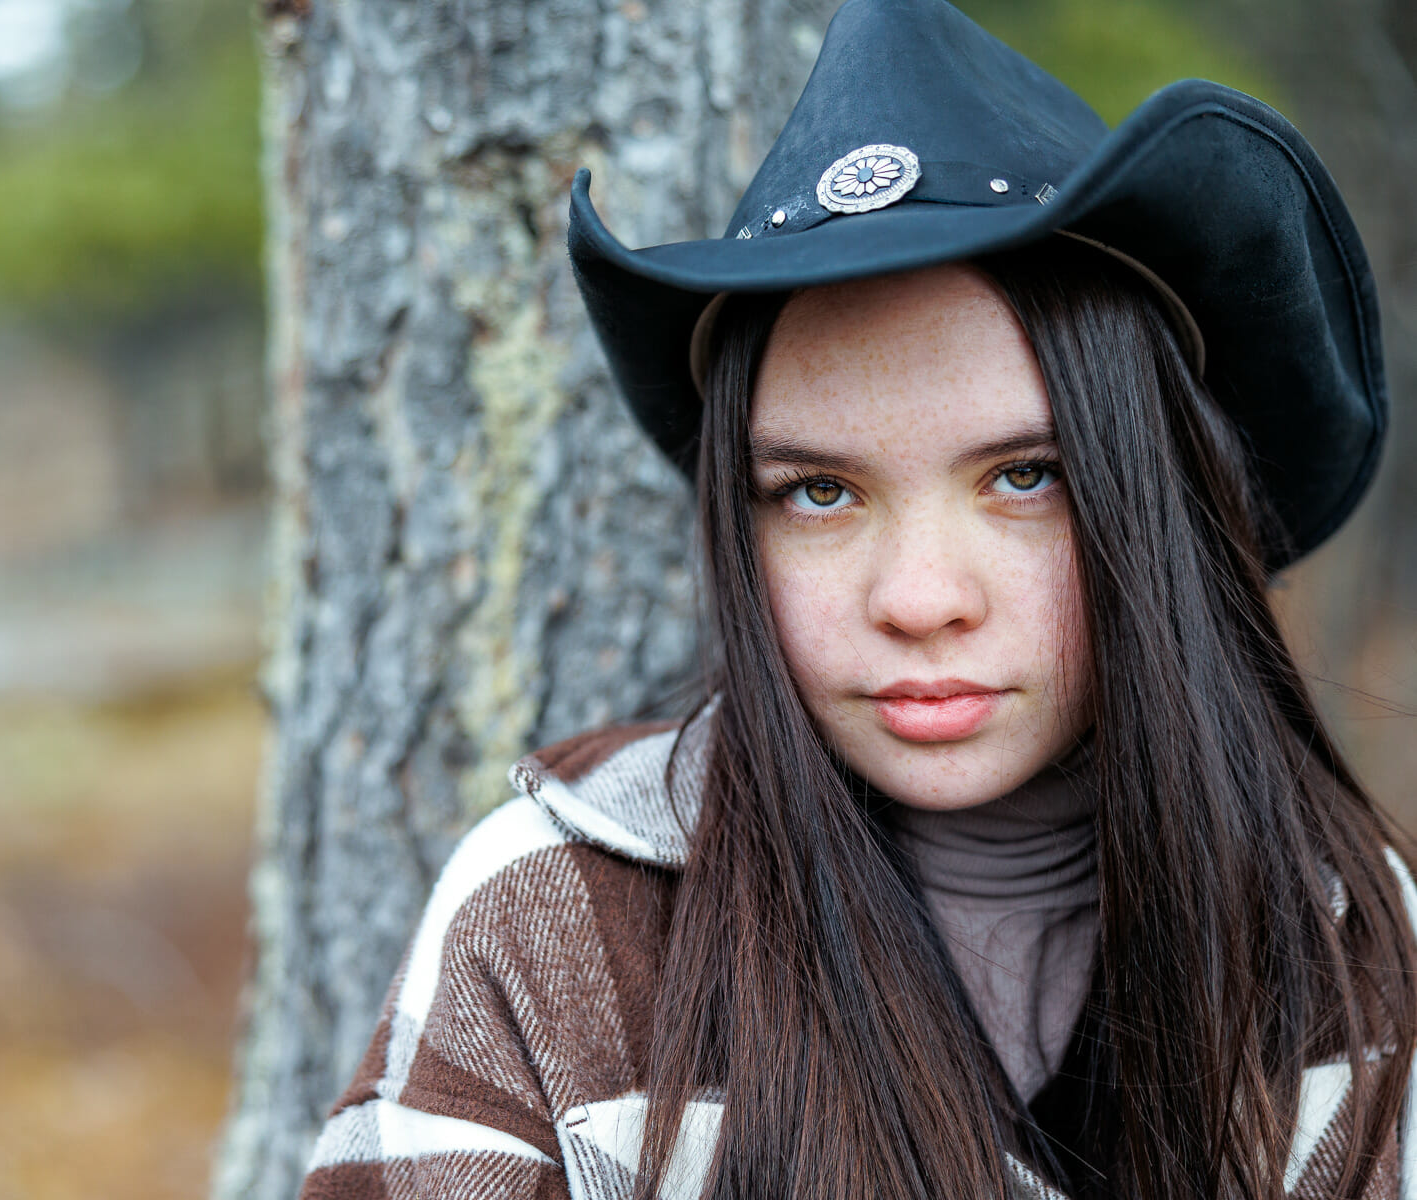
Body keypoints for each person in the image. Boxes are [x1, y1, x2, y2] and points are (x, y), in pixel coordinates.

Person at [297, 1, 1417, 1197]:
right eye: (820, 492)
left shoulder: (1340, 936)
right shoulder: (555, 921)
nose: (920, 600)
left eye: (1026, 476)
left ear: (1158, 506)